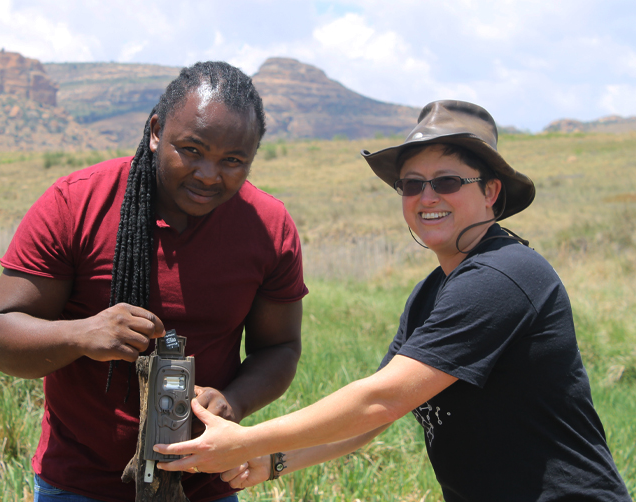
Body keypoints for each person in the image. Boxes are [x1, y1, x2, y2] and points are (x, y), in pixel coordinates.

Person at [155, 100, 631, 501]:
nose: (427, 196)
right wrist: (271, 460)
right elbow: (376, 416)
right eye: (411, 183)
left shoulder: (503, 275)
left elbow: (378, 401)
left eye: (447, 181)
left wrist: (243, 441)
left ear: (491, 192)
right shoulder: (435, 290)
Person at [0, 61, 308, 502]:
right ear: (156, 131)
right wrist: (82, 334)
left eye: (233, 160)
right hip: (78, 483)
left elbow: (281, 347)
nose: (210, 174)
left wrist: (232, 401)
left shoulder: (268, 227)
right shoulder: (76, 203)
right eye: (191, 149)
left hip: (205, 485)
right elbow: (0, 339)